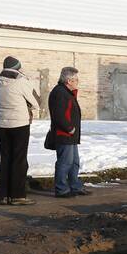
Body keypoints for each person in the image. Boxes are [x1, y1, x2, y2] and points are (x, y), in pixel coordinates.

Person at [0, 55, 39, 206]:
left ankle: (3, 195)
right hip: (19, 124)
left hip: (1, 125)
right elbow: (37, 101)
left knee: (5, 158)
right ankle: (18, 195)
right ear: (17, 68)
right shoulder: (21, 82)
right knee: (19, 160)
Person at [46, 67, 87, 198]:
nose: (77, 82)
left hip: (71, 135)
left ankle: (75, 186)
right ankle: (61, 189)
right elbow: (59, 115)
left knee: (74, 162)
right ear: (69, 80)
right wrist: (69, 128)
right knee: (64, 163)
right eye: (76, 80)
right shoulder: (60, 93)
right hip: (64, 134)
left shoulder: (67, 92)